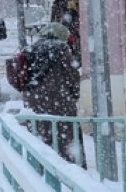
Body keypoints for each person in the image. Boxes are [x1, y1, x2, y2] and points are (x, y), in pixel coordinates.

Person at [23, 22, 86, 168]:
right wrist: (73, 95)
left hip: (34, 104)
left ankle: (40, 171)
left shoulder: (31, 49)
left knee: (40, 138)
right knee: (66, 140)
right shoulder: (62, 49)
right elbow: (72, 76)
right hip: (60, 101)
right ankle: (69, 173)